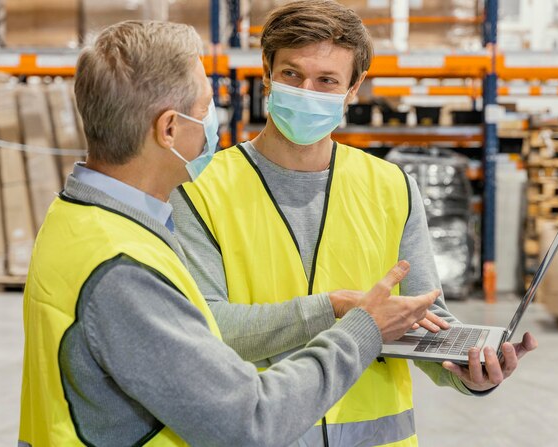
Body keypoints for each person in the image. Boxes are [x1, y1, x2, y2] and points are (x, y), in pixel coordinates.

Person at [17, 20, 445, 447]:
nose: (212, 123)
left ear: (354, 86)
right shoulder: (123, 266)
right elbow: (249, 420)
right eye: (205, 108)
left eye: (327, 80)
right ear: (169, 129)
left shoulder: (85, 223)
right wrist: (361, 326)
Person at [170, 1, 538, 446]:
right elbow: (208, 330)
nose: (307, 90)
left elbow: (425, 320)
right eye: (291, 74)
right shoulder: (200, 187)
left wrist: (470, 372)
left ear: (353, 88)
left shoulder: (391, 187)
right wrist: (335, 308)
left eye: (327, 80)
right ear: (266, 72)